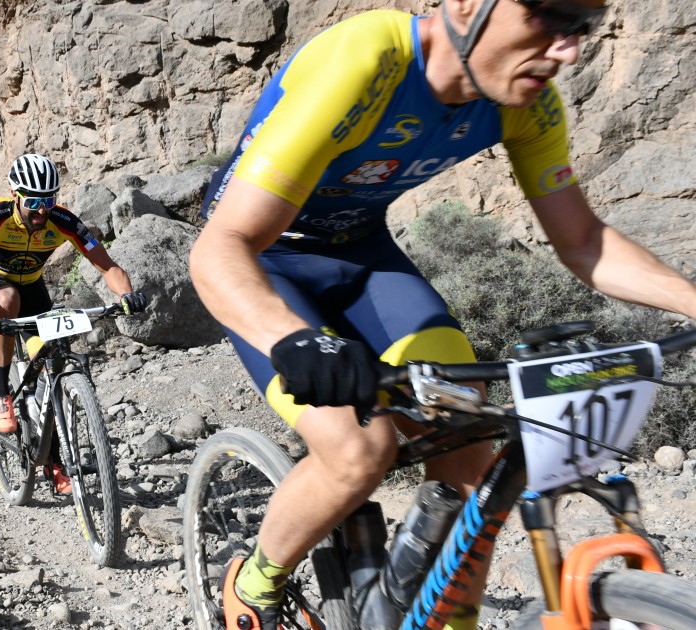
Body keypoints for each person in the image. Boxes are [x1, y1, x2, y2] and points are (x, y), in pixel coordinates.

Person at [188, 2, 696, 629]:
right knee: (357, 451)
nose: (568, 50)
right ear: (464, 6)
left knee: (468, 434)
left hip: (363, 258)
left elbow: (584, 242)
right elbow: (219, 247)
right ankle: (255, 579)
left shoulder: (526, 100)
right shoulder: (365, 64)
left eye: (581, 28)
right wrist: (293, 339)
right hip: (264, 259)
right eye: (551, 17)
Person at [0, 153, 146, 493]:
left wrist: (126, 295)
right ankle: (2, 391)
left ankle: (53, 461)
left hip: (33, 288)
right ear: (14, 194)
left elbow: (108, 266)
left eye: (48, 200)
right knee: (8, 301)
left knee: (51, 365)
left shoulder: (61, 220)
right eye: (33, 200)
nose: (41, 210)